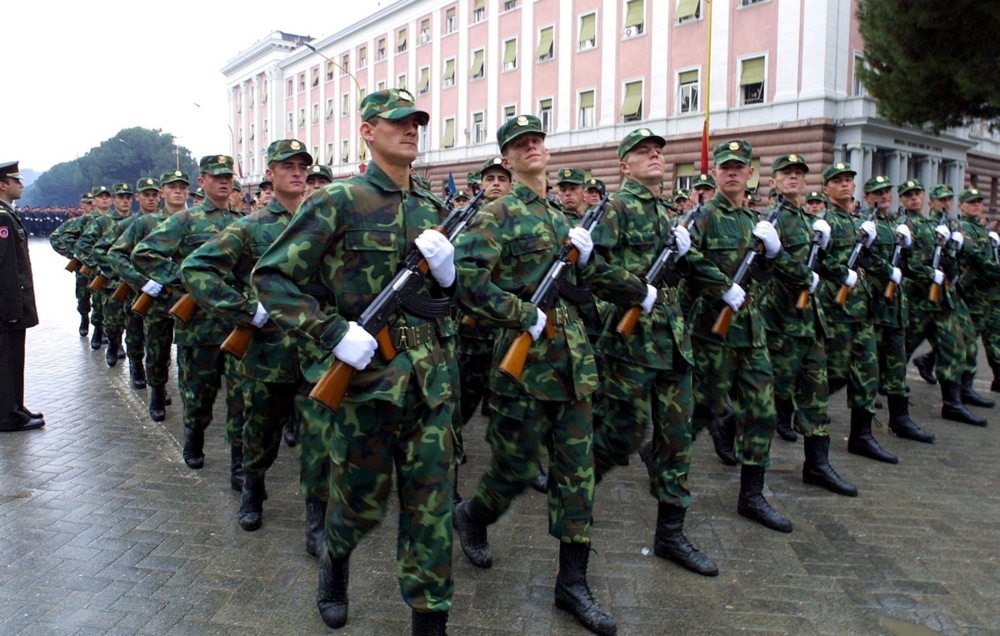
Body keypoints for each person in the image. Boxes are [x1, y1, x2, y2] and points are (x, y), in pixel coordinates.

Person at [252, 89, 454, 634]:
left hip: (430, 385)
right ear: (367, 130)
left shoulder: (434, 209)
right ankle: (334, 564)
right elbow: (272, 277)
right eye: (397, 122)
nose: (410, 130)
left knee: (431, 511)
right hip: (367, 385)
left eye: (416, 122)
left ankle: (429, 621)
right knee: (361, 505)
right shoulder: (339, 200)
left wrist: (453, 278)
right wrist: (332, 333)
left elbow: (451, 302)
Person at [452, 114, 617, 636]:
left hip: (572, 364)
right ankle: (474, 515)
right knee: (517, 468)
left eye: (537, 140)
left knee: (577, 474)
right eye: (519, 145)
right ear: (506, 158)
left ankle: (572, 583)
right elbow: (465, 280)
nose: (531, 149)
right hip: (523, 366)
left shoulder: (558, 213)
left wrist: (590, 265)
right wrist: (521, 313)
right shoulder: (496, 215)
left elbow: (580, 285)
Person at [587, 128, 718, 576]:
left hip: (674, 342)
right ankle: (573, 495)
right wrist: (635, 290)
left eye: (658, 151)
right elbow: (591, 268)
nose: (655, 157)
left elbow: (689, 271)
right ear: (624, 165)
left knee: (677, 441)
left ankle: (671, 535)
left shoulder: (667, 212)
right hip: (631, 344)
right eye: (643, 153)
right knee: (615, 437)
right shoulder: (614, 208)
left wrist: (721, 282)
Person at [182, 140, 312, 534]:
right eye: (286, 166)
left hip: (315, 351)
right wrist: (245, 309)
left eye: (302, 166)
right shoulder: (250, 226)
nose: (296, 172)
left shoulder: (322, 221)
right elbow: (197, 268)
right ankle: (252, 491)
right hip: (266, 351)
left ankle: (318, 517)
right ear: (269, 175)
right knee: (260, 432)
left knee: (320, 442)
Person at [685, 140, 792, 533]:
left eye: (739, 166)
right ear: (715, 174)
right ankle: (657, 456)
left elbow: (767, 277)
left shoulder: (757, 221)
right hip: (713, 331)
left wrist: (774, 254)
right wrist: (720, 287)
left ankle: (752, 496)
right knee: (701, 409)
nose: (732, 172)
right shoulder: (703, 218)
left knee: (762, 412)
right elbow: (685, 262)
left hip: (751, 330)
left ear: (751, 173)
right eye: (725, 167)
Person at [132, 155, 246, 472]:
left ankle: (239, 462)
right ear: (203, 182)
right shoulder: (186, 221)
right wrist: (186, 281)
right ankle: (193, 440)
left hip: (238, 322)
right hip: (198, 325)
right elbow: (145, 254)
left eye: (228, 176)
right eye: (216, 176)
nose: (224, 181)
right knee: (197, 394)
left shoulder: (244, 220)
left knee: (240, 398)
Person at [762, 154, 858, 495]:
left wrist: (840, 270)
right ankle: (725, 430)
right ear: (773, 181)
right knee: (768, 394)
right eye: (785, 173)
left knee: (816, 396)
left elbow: (819, 262)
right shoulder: (772, 220)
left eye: (799, 174)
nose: (793, 178)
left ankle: (817, 465)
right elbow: (767, 264)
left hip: (809, 321)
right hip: (781, 322)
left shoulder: (806, 219)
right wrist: (802, 272)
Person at [818, 163, 898, 463]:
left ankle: (862, 436)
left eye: (849, 180)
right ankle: (795, 409)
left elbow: (869, 260)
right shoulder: (823, 222)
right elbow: (815, 263)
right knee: (834, 373)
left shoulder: (860, 222)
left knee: (867, 372)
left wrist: (887, 268)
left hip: (863, 310)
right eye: (837, 181)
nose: (845, 185)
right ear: (826, 188)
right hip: (837, 310)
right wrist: (841, 273)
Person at [901, 181, 987, 426]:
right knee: (899, 352)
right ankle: (881, 392)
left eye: (917, 193)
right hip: (918, 300)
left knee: (954, 347)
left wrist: (953, 250)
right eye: (908, 195)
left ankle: (952, 403)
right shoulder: (903, 226)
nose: (914, 198)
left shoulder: (935, 225)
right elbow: (908, 264)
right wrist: (930, 274)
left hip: (941, 301)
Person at [109, 171, 189, 422]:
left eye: (182, 188)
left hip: (191, 299)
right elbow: (116, 254)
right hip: (159, 299)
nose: (177, 191)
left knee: (190, 353)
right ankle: (157, 391)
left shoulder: (198, 221)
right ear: (164, 192)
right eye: (172, 187)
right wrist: (142, 282)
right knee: (157, 350)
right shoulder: (145, 223)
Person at [863, 176, 935, 444]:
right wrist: (886, 267)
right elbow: (864, 261)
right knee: (867, 366)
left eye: (886, 192)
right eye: (876, 193)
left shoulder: (898, 225)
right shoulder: (867, 225)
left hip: (896, 306)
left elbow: (908, 265)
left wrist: (906, 251)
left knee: (896, 363)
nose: (883, 196)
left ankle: (900, 419)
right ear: (868, 197)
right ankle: (862, 422)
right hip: (875, 306)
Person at [0, 161, 44, 433]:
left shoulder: (7, 214)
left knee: (14, 358)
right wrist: (11, 308)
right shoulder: (2, 217)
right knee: (7, 360)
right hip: (8, 306)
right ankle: (7, 415)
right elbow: (4, 268)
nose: (21, 185)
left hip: (12, 303)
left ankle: (16, 407)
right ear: (3, 184)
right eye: (16, 181)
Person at [956, 187, 1000, 394]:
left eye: (979, 202)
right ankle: (962, 387)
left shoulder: (979, 228)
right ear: (961, 206)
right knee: (968, 339)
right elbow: (978, 259)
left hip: (988, 293)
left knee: (989, 336)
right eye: (971, 202)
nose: (976, 205)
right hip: (974, 294)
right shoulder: (964, 227)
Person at [49, 192, 95, 337]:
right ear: (82, 205)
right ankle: (84, 318)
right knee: (83, 296)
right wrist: (73, 253)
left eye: (93, 202)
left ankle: (102, 328)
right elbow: (55, 238)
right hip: (82, 267)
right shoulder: (75, 222)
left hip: (101, 266)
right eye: (88, 203)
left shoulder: (106, 221)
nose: (92, 206)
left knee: (103, 300)